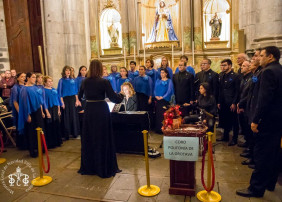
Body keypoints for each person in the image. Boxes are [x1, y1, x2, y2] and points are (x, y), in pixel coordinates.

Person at [236, 46, 282, 198]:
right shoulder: (279, 69)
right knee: (273, 153)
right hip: (276, 120)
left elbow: (264, 99)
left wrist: (256, 120)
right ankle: (269, 182)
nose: (258, 58)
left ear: (270, 57)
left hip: (266, 120)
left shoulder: (268, 72)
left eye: (261, 55)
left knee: (261, 154)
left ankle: (256, 188)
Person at [78, 59, 124, 178]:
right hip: (101, 110)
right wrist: (122, 94)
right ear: (99, 68)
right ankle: (103, 166)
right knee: (102, 137)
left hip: (89, 110)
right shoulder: (104, 81)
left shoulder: (85, 81)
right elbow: (114, 98)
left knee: (90, 137)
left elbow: (79, 96)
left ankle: (90, 167)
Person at [242, 49, 263, 168]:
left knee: (255, 138)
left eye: (257, 56)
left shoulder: (263, 73)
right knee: (250, 135)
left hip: (255, 110)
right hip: (249, 107)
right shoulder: (255, 74)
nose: (253, 59)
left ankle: (255, 159)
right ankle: (251, 154)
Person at [18, 72, 45, 157]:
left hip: (37, 111)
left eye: (35, 77)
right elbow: (25, 103)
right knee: (31, 132)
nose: (35, 79)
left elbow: (39, 101)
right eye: (33, 77)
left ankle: (40, 148)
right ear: (28, 78)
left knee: (40, 129)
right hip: (30, 113)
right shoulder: (24, 89)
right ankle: (32, 150)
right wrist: (28, 115)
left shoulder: (35, 87)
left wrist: (41, 111)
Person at [217, 59, 240, 146]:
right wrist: (219, 101)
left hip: (231, 102)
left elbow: (237, 91)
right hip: (223, 102)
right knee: (225, 119)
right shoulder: (221, 75)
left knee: (234, 121)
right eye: (221, 65)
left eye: (224, 65)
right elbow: (220, 90)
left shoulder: (235, 76)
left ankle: (234, 138)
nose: (222, 67)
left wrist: (234, 102)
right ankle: (225, 136)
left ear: (230, 66)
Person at [57, 65, 81, 140]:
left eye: (69, 70)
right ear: (64, 72)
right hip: (65, 99)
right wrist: (62, 102)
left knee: (74, 115)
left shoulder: (73, 80)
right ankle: (66, 134)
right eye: (66, 70)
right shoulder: (61, 80)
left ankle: (75, 133)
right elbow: (59, 92)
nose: (68, 72)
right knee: (66, 116)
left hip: (73, 98)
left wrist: (77, 100)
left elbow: (76, 91)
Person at [43, 76, 62, 149]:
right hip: (49, 108)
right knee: (50, 125)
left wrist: (59, 109)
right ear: (45, 82)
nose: (51, 83)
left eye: (51, 81)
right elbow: (44, 102)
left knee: (56, 124)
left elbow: (57, 100)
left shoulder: (54, 89)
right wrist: (47, 112)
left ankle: (58, 141)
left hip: (55, 108)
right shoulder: (44, 90)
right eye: (49, 81)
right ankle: (51, 143)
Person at [237, 60, 252, 149]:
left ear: (249, 68)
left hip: (247, 106)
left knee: (247, 128)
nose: (241, 67)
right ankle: (247, 143)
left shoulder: (252, 78)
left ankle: (250, 147)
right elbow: (241, 92)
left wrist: (242, 104)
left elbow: (249, 93)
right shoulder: (243, 77)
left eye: (244, 66)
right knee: (244, 127)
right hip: (242, 104)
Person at [154, 68, 174, 133]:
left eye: (163, 72)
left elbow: (169, 90)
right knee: (158, 115)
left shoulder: (169, 81)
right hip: (158, 100)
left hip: (165, 100)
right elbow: (154, 89)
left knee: (164, 114)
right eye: (161, 72)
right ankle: (159, 129)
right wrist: (156, 96)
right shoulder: (157, 80)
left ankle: (165, 129)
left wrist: (163, 97)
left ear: (166, 73)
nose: (161, 74)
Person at [10, 72, 26, 149]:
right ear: (18, 78)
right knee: (20, 125)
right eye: (22, 77)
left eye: (25, 76)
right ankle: (22, 144)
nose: (24, 78)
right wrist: (20, 112)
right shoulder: (15, 88)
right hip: (19, 110)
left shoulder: (26, 86)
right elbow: (15, 101)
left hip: (25, 109)